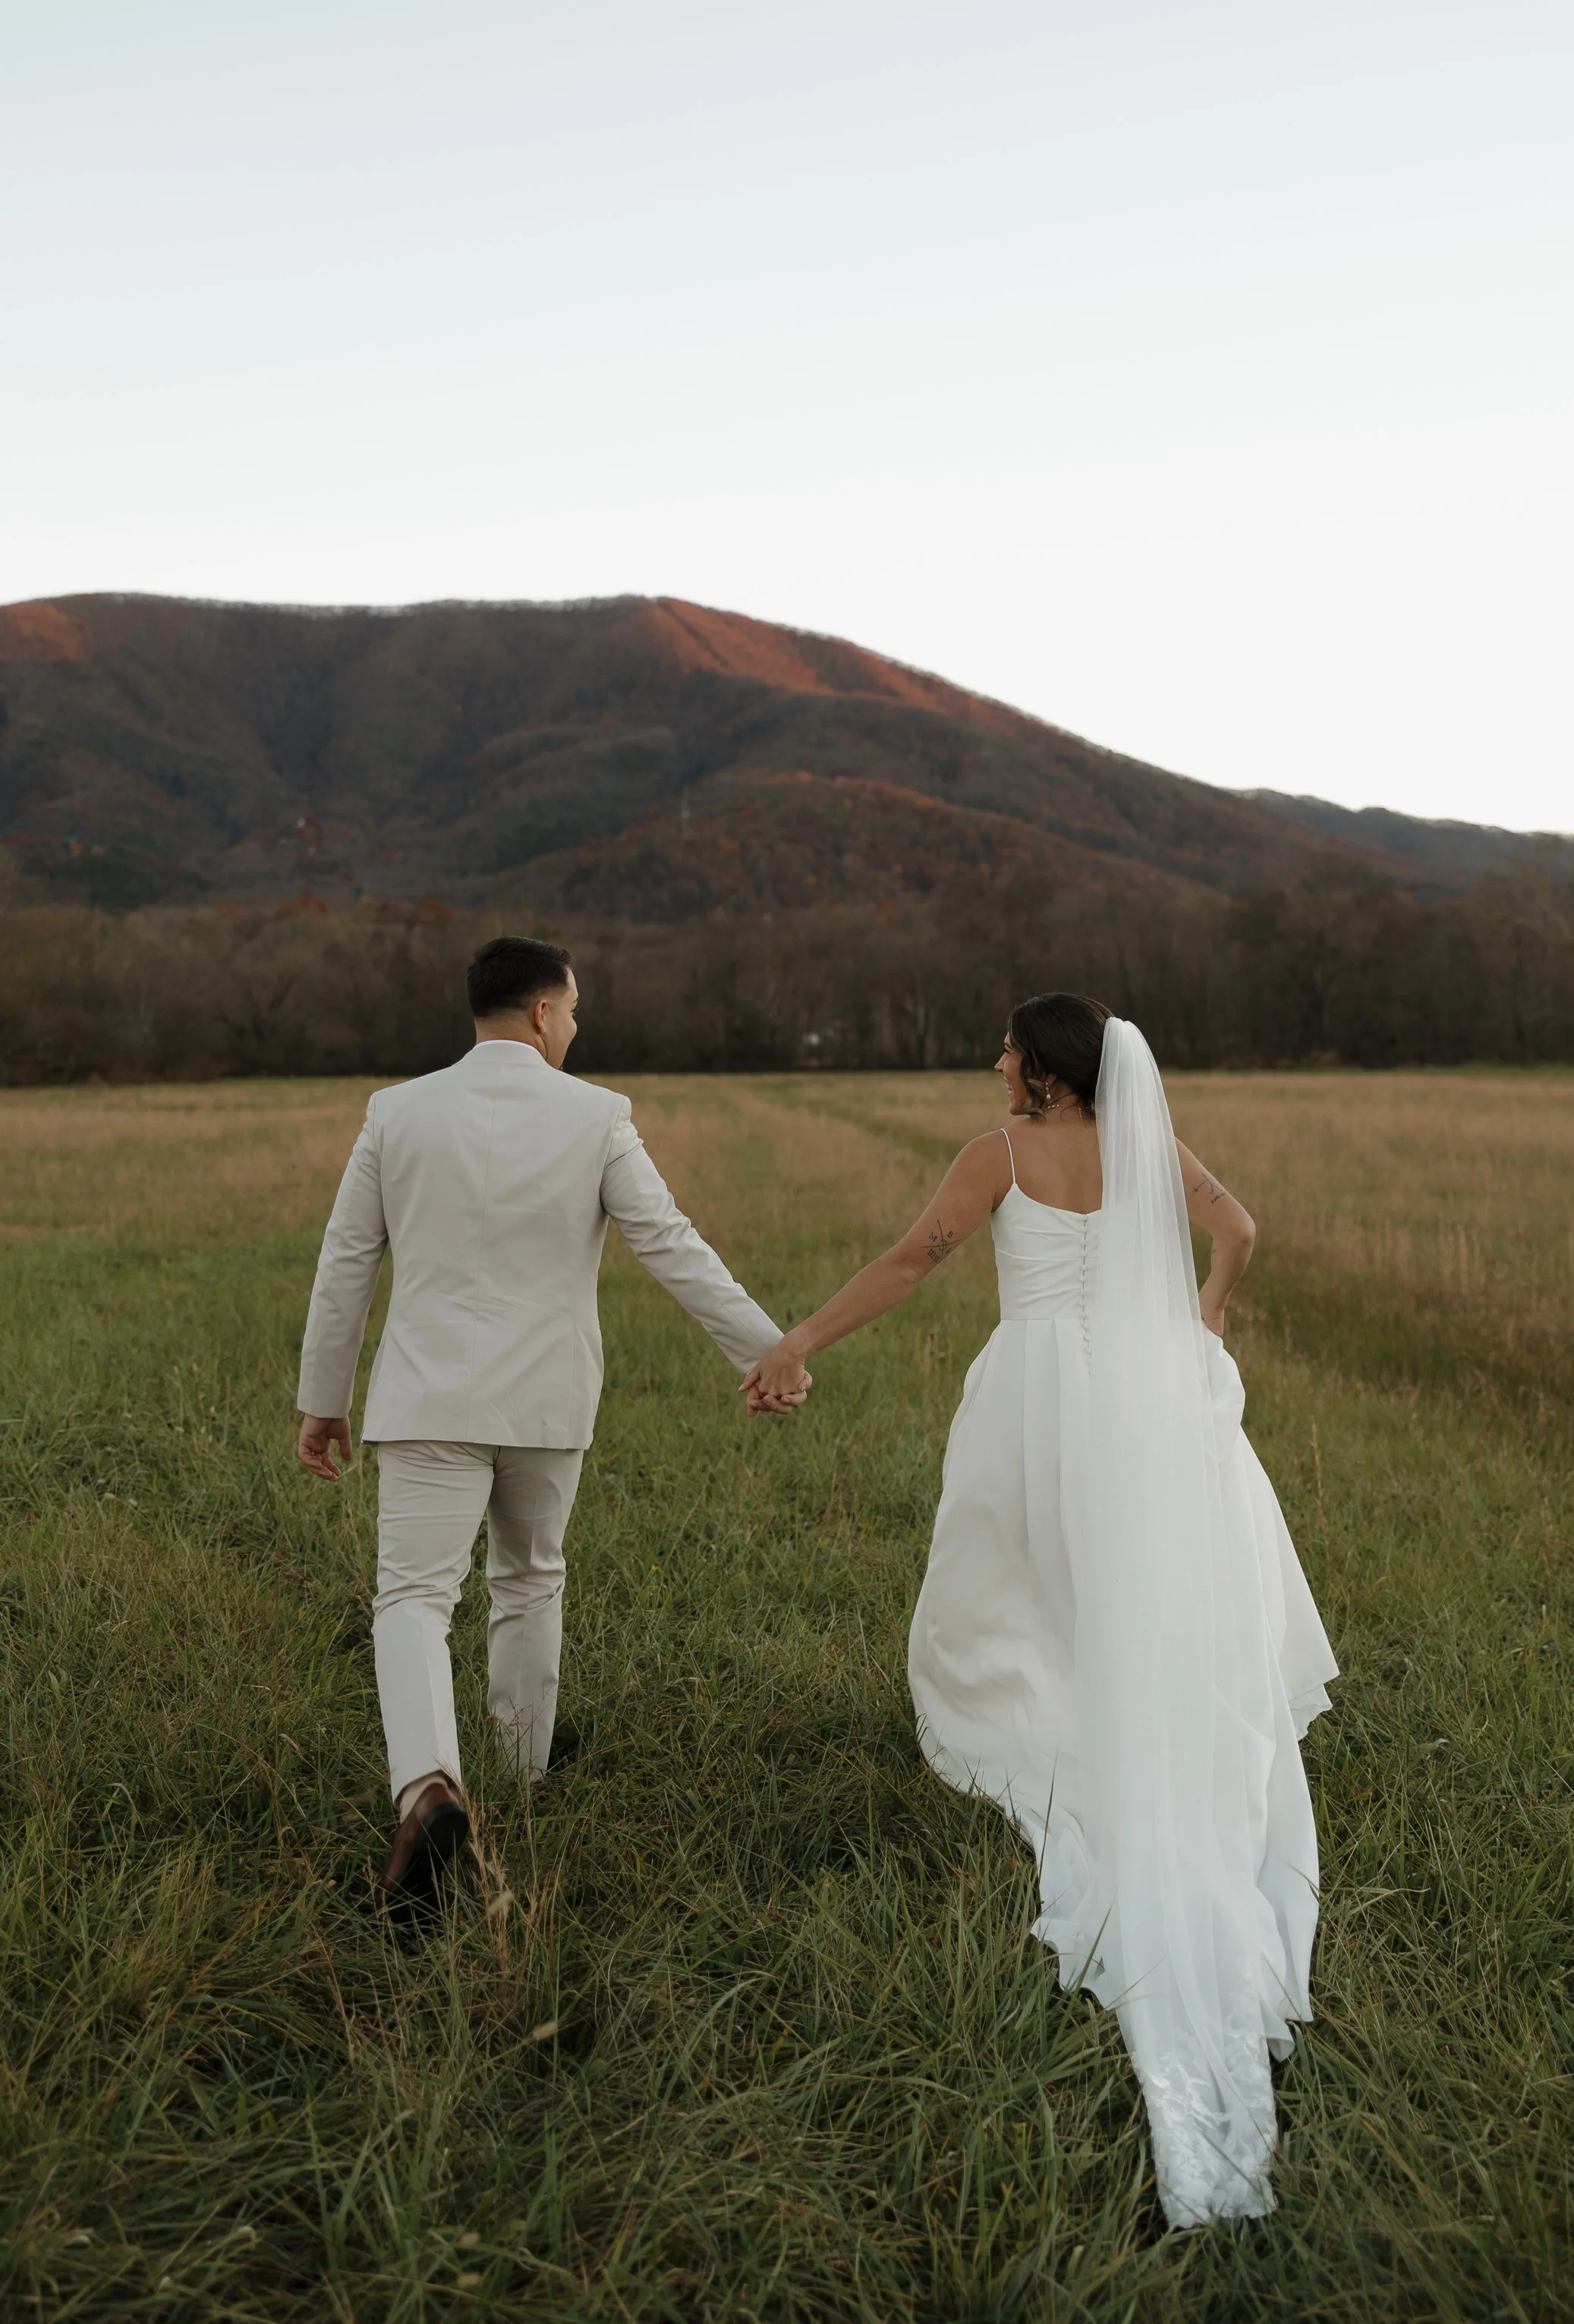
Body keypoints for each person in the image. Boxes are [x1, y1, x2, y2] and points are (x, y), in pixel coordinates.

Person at [746, 992, 1336, 2225]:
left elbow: (918, 1257)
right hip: (1140, 1393)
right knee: (1111, 1574)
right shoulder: (1147, 1150)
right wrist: (1203, 1315)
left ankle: (1041, 1730)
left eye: (1009, 1046)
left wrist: (801, 1335)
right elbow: (1241, 1227)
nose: (995, 1060)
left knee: (1011, 1584)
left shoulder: (997, 1154)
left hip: (1036, 1397)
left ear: (1051, 1073)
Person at [297, 933, 795, 1918]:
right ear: (539, 1012)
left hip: (428, 1396)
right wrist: (767, 1348)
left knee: (412, 1600)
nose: (575, 1025)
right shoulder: (598, 1116)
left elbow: (346, 1259)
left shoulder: (396, 1113)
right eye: (571, 1010)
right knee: (529, 1577)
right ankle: (519, 1788)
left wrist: (325, 1397)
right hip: (545, 1399)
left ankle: (431, 1790)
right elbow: (671, 1243)